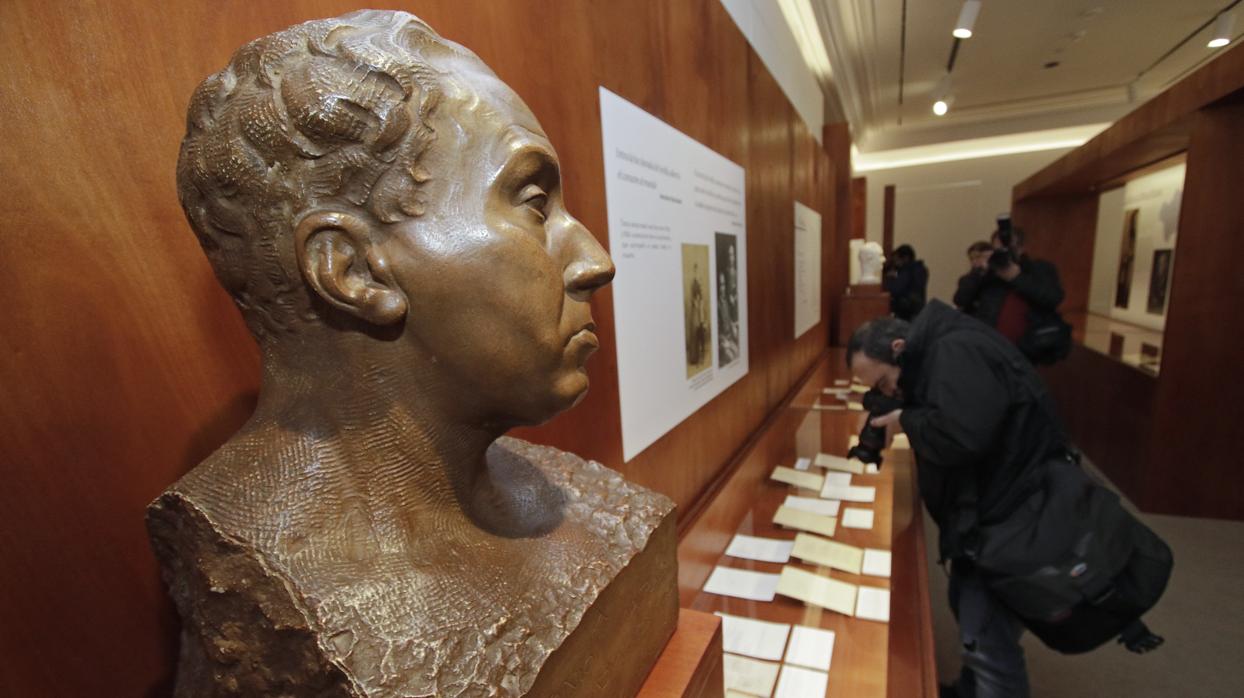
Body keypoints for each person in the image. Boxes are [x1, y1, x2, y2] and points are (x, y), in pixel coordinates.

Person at [149, 11, 678, 695]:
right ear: (352, 272)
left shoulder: (575, 501)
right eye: (533, 202)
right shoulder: (266, 571)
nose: (594, 261)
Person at [847, 301, 1075, 698]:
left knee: (988, 642)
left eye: (883, 383)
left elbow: (962, 437)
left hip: (1011, 517)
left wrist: (906, 420)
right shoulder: (942, 349)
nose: (887, 394)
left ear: (900, 347)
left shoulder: (955, 352)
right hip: (997, 510)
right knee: (973, 618)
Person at [953, 226, 1064, 348]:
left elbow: (1053, 298)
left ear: (1021, 248)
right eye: (998, 250)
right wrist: (978, 272)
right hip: (988, 345)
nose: (1003, 254)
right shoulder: (987, 274)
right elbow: (960, 299)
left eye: (1007, 249)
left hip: (1028, 347)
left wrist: (1016, 277)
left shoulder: (1038, 269)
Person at [882, 243, 929, 320]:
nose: (895, 264)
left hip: (907, 312)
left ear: (905, 258)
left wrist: (890, 278)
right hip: (917, 310)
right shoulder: (920, 269)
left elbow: (894, 289)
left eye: (896, 260)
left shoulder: (908, 271)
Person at [954, 240, 994, 311]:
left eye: (979, 257)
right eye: (972, 259)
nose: (975, 262)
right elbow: (959, 300)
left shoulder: (998, 279)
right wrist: (976, 275)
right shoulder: (967, 279)